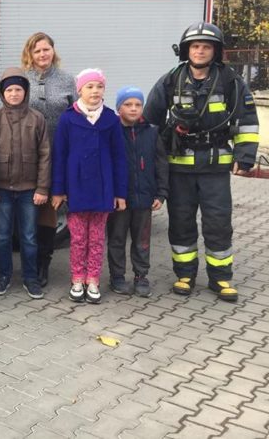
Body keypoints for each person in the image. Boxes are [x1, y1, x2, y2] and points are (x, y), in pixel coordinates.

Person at [144, 22, 258, 302]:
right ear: (186, 50)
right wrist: (149, 163)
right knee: (181, 222)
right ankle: (185, 274)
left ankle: (221, 279)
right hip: (178, 166)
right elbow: (149, 123)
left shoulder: (231, 81)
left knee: (218, 222)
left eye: (206, 46)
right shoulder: (170, 80)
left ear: (215, 51)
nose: (200, 51)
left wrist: (244, 157)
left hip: (215, 167)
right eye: (195, 46)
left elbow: (247, 121)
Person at [51, 69, 128, 304]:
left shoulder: (111, 119)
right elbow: (59, 156)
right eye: (90, 87)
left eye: (99, 86)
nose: (95, 91)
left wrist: (120, 193)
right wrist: (58, 190)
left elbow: (119, 158)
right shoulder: (68, 118)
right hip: (76, 188)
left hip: (103, 189)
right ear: (79, 91)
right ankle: (77, 279)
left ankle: (92, 279)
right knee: (77, 238)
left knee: (96, 238)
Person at [0, 68, 51, 300]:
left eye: (18, 89)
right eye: (9, 90)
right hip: (1, 190)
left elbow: (45, 154)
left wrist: (42, 188)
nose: (14, 94)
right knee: (2, 236)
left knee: (29, 237)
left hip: (29, 191)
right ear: (3, 93)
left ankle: (30, 278)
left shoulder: (37, 119)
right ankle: (3, 275)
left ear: (26, 91)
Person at [21, 32, 76, 287]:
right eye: (37, 51)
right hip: (26, 160)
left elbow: (79, 117)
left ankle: (43, 264)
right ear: (29, 55)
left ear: (53, 51)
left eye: (47, 49)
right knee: (27, 214)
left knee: (48, 216)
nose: (43, 54)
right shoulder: (21, 81)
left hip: (57, 157)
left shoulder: (68, 81)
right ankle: (27, 265)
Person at [107, 87, 169, 298]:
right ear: (118, 108)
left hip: (145, 198)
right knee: (116, 239)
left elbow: (161, 164)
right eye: (128, 104)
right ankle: (117, 276)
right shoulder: (112, 131)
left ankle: (141, 276)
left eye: (138, 105)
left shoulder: (152, 132)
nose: (133, 109)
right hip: (120, 199)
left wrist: (161, 194)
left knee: (141, 240)